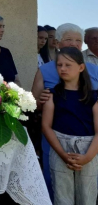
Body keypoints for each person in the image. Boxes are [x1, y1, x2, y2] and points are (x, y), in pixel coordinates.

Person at [31, 23, 98, 200]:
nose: (74, 44)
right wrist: (41, 102)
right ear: (58, 43)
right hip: (56, 139)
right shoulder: (45, 70)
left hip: (90, 142)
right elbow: (31, 106)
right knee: (58, 189)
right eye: (69, 39)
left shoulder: (95, 70)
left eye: (78, 41)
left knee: (88, 191)